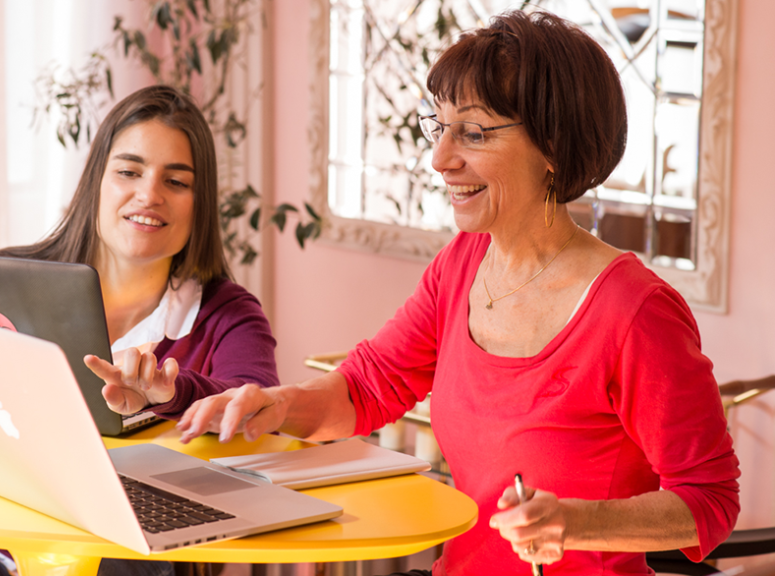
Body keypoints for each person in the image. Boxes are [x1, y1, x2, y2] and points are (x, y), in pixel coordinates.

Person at [176, 10, 740, 576]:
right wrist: (275, 405)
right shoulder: (462, 264)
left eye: (472, 133)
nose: (440, 160)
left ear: (552, 145)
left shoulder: (634, 312)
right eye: (439, 127)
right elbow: (367, 387)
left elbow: (710, 501)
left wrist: (575, 523)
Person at [0, 85, 278, 576]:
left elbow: (258, 411)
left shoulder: (229, 314)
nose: (149, 195)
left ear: (200, 203)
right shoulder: (2, 278)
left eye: (176, 181)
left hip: (131, 539)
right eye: (129, 172)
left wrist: (171, 393)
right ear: (97, 182)